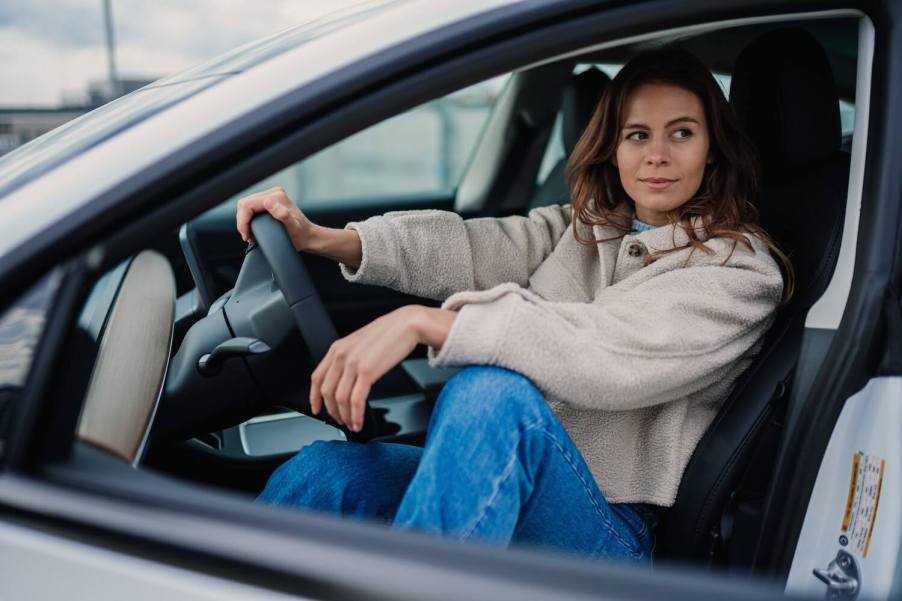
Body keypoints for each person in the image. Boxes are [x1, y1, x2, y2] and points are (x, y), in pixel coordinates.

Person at [234, 47, 790, 562]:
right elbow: (476, 247)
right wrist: (323, 239)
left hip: (616, 531)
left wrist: (425, 322)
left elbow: (606, 348)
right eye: (637, 135)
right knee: (327, 473)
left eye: (682, 134)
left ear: (712, 150)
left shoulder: (739, 272)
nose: (657, 156)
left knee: (490, 396)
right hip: (521, 475)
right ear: (614, 149)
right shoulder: (593, 229)